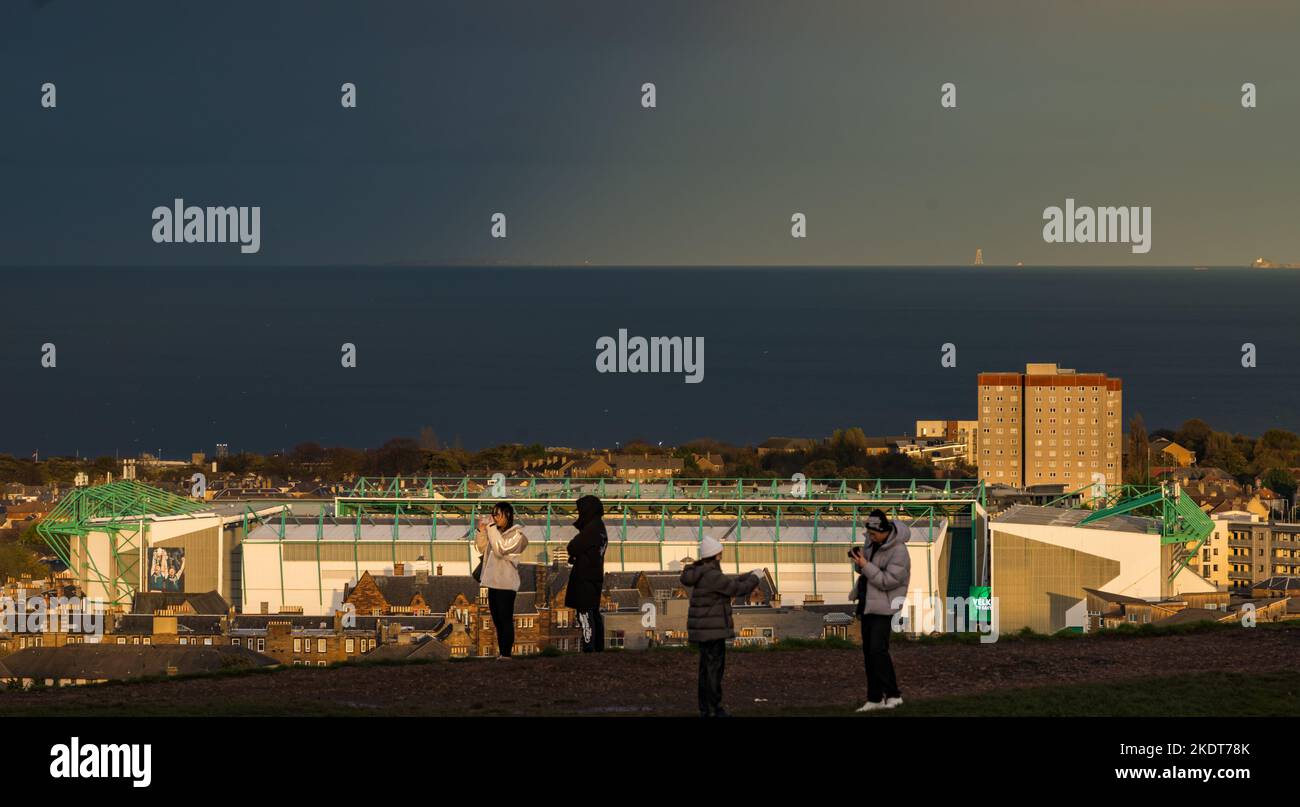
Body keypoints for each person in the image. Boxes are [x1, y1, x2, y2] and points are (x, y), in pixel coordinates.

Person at [679, 536, 764, 717]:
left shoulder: (703, 572)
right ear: (716, 554)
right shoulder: (712, 575)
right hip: (713, 629)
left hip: (704, 629)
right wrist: (755, 578)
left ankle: (705, 709)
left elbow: (728, 583)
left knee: (705, 670)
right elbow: (735, 589)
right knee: (714, 671)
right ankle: (714, 709)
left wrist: (748, 575)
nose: (722, 555)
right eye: (721, 552)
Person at [850, 508, 911, 711]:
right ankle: (874, 698)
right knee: (869, 653)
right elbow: (867, 570)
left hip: (885, 607)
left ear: (885, 531)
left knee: (878, 650)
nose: (870, 537)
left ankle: (893, 695)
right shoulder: (872, 543)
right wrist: (859, 561)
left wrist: (865, 565)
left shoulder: (899, 551)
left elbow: (888, 581)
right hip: (868, 603)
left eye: (874, 534)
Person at [474, 501, 528, 659]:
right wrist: (481, 531)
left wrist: (491, 529)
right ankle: (502, 653)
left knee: (505, 618)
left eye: (498, 514)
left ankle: (506, 653)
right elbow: (482, 548)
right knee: (497, 620)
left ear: (508, 515)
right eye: (493, 514)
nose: (495, 518)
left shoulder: (517, 535)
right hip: (492, 582)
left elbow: (501, 550)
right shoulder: (494, 532)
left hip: (506, 584)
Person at [565, 495, 608, 652]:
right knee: (594, 613)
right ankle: (598, 647)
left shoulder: (591, 529)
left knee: (584, 614)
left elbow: (573, 546)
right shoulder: (600, 528)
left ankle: (589, 647)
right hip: (596, 576)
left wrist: (575, 554)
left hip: (584, 578)